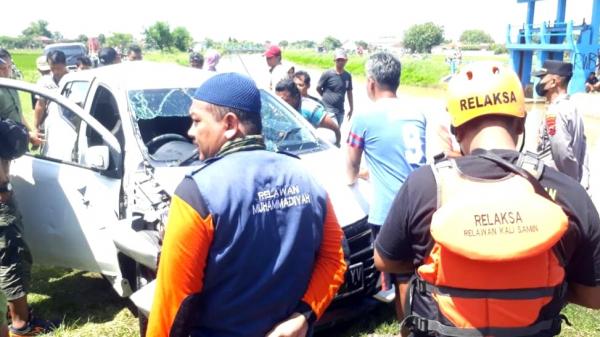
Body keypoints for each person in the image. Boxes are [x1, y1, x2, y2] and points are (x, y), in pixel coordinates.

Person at [375, 62, 600, 337]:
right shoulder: (567, 191)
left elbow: (385, 260)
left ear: (456, 130)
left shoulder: (423, 185)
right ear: (521, 122)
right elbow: (594, 296)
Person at [146, 73, 346, 337]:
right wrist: (304, 315)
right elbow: (336, 257)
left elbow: (174, 306)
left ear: (229, 124)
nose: (190, 132)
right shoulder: (305, 176)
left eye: (196, 121)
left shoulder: (195, 194)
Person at [346, 52, 426, 324]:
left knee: (400, 275)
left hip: (390, 210)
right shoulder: (417, 112)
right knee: (422, 269)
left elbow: (350, 167)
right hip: (423, 201)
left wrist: (355, 178)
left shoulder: (365, 116)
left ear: (370, 83)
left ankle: (407, 325)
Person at [0, 49, 55, 336]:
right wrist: (4, 189)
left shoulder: (7, 87)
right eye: (7, 66)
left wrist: (27, 133)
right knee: (11, 254)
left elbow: (14, 119)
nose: (11, 70)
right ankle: (21, 324)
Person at [534, 60, 589, 189]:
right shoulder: (572, 108)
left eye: (542, 78)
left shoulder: (555, 111)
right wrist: (581, 182)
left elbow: (562, 152)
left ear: (553, 82)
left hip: (556, 184)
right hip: (568, 183)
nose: (539, 83)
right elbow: (583, 150)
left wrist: (569, 185)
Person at [275, 78, 341, 146]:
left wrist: (336, 145)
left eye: (285, 100)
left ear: (295, 97)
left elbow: (334, 129)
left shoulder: (309, 109)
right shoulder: (278, 107)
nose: (280, 103)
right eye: (277, 100)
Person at [33, 50, 68, 134]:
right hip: (51, 124)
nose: (56, 72)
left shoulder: (75, 79)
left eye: (59, 68)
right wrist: (36, 127)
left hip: (70, 124)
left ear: (65, 64)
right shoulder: (44, 82)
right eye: (52, 68)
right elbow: (40, 105)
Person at [317, 49, 354, 127]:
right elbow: (318, 88)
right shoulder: (327, 74)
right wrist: (325, 97)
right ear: (334, 60)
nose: (340, 62)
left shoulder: (347, 76)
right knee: (332, 130)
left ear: (346, 61)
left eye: (342, 60)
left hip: (340, 110)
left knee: (337, 130)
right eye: (338, 60)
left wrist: (351, 108)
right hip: (328, 109)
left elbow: (349, 92)